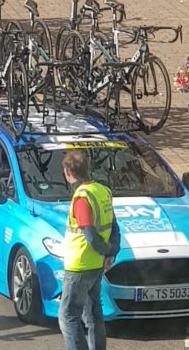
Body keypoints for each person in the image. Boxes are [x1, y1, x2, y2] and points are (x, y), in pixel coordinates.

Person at [59, 149, 121, 350]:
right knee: (93, 313)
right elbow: (114, 227)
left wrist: (105, 250)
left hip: (80, 265)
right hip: (96, 266)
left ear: (69, 172)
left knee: (68, 316)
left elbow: (91, 235)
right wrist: (111, 252)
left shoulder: (82, 198)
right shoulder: (103, 191)